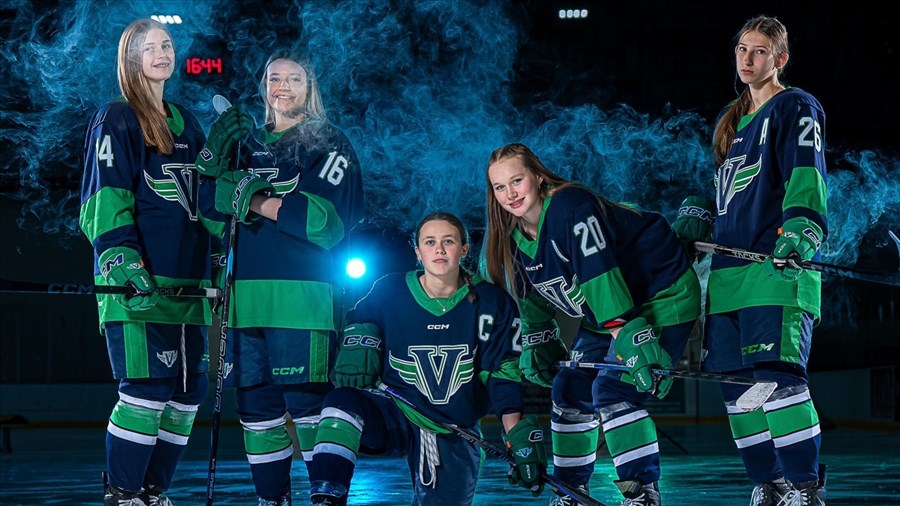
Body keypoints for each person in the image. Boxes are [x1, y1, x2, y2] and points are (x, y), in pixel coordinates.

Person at [482, 143, 702, 506]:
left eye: (516, 181)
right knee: (567, 390)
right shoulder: (511, 237)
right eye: (500, 187)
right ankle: (571, 490)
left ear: (538, 177)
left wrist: (628, 333)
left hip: (661, 296)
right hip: (603, 318)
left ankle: (642, 490)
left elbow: (598, 271)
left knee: (614, 389)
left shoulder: (571, 205)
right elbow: (531, 295)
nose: (510, 194)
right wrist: (539, 338)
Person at [194, 49, 365, 505]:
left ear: (310, 87)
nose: (282, 86)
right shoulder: (246, 145)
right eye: (274, 78)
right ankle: (273, 500)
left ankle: (325, 497)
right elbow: (211, 216)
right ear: (263, 86)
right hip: (244, 298)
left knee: (308, 407)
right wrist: (212, 161)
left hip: (303, 300)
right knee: (256, 411)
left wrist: (251, 197)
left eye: (293, 78)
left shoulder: (328, 141)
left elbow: (322, 224)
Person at [671, 15, 827, 506]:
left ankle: (805, 488)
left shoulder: (795, 106)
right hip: (727, 281)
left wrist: (802, 229)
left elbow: (807, 173)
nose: (747, 59)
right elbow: (727, 195)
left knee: (778, 383)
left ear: (779, 59)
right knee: (739, 395)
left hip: (775, 273)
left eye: (760, 51)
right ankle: (770, 486)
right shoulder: (732, 122)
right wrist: (698, 213)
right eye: (742, 49)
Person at [306, 211, 547, 506]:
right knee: (341, 402)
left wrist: (516, 436)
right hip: (396, 412)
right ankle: (327, 496)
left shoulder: (493, 302)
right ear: (418, 252)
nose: (440, 249)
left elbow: (502, 375)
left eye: (449, 241)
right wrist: (358, 341)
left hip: (451, 428)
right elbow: (360, 321)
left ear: (464, 249)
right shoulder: (388, 291)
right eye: (430, 242)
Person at [79, 18, 224, 506]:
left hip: (187, 290)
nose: (162, 53)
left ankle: (153, 493)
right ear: (130, 58)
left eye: (167, 45)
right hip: (139, 287)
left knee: (185, 398)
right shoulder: (116, 118)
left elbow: (209, 204)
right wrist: (120, 258)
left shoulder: (189, 122)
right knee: (145, 392)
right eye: (149, 48)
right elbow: (104, 197)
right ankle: (123, 494)